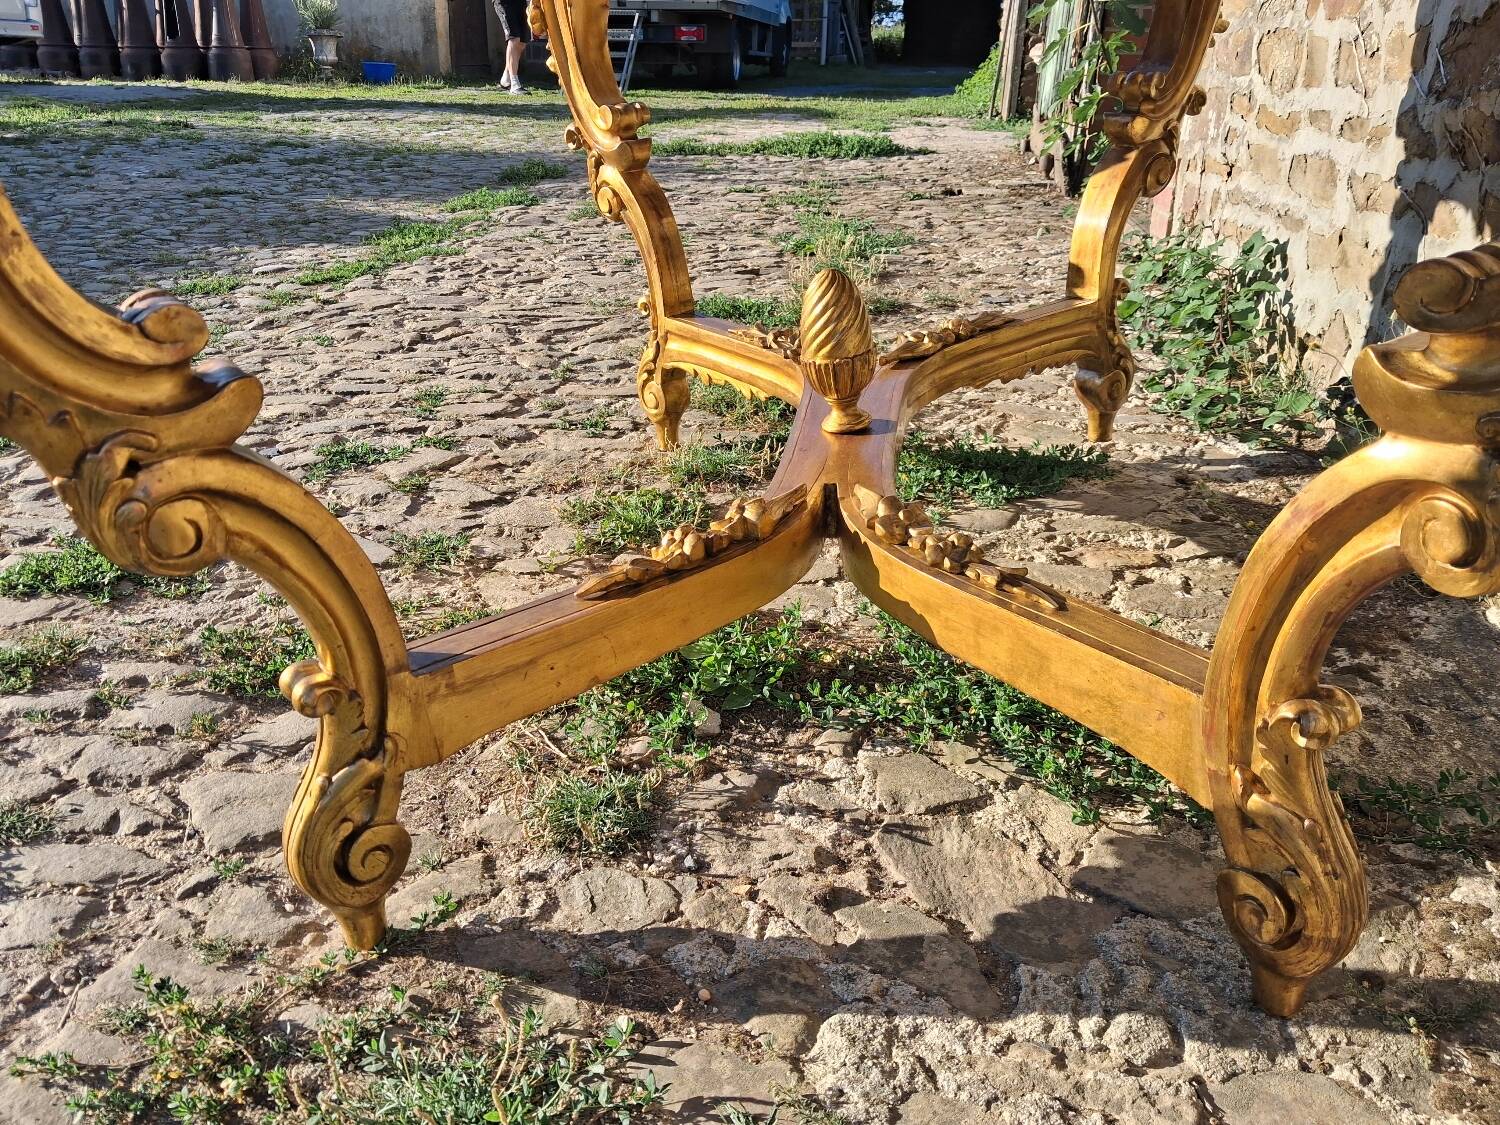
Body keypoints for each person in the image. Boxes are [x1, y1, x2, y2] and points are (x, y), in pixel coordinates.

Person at [494, 0, 532, 94]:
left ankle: (506, 79)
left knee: (522, 42)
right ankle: (514, 84)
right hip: (504, 3)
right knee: (514, 39)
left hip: (520, 3)